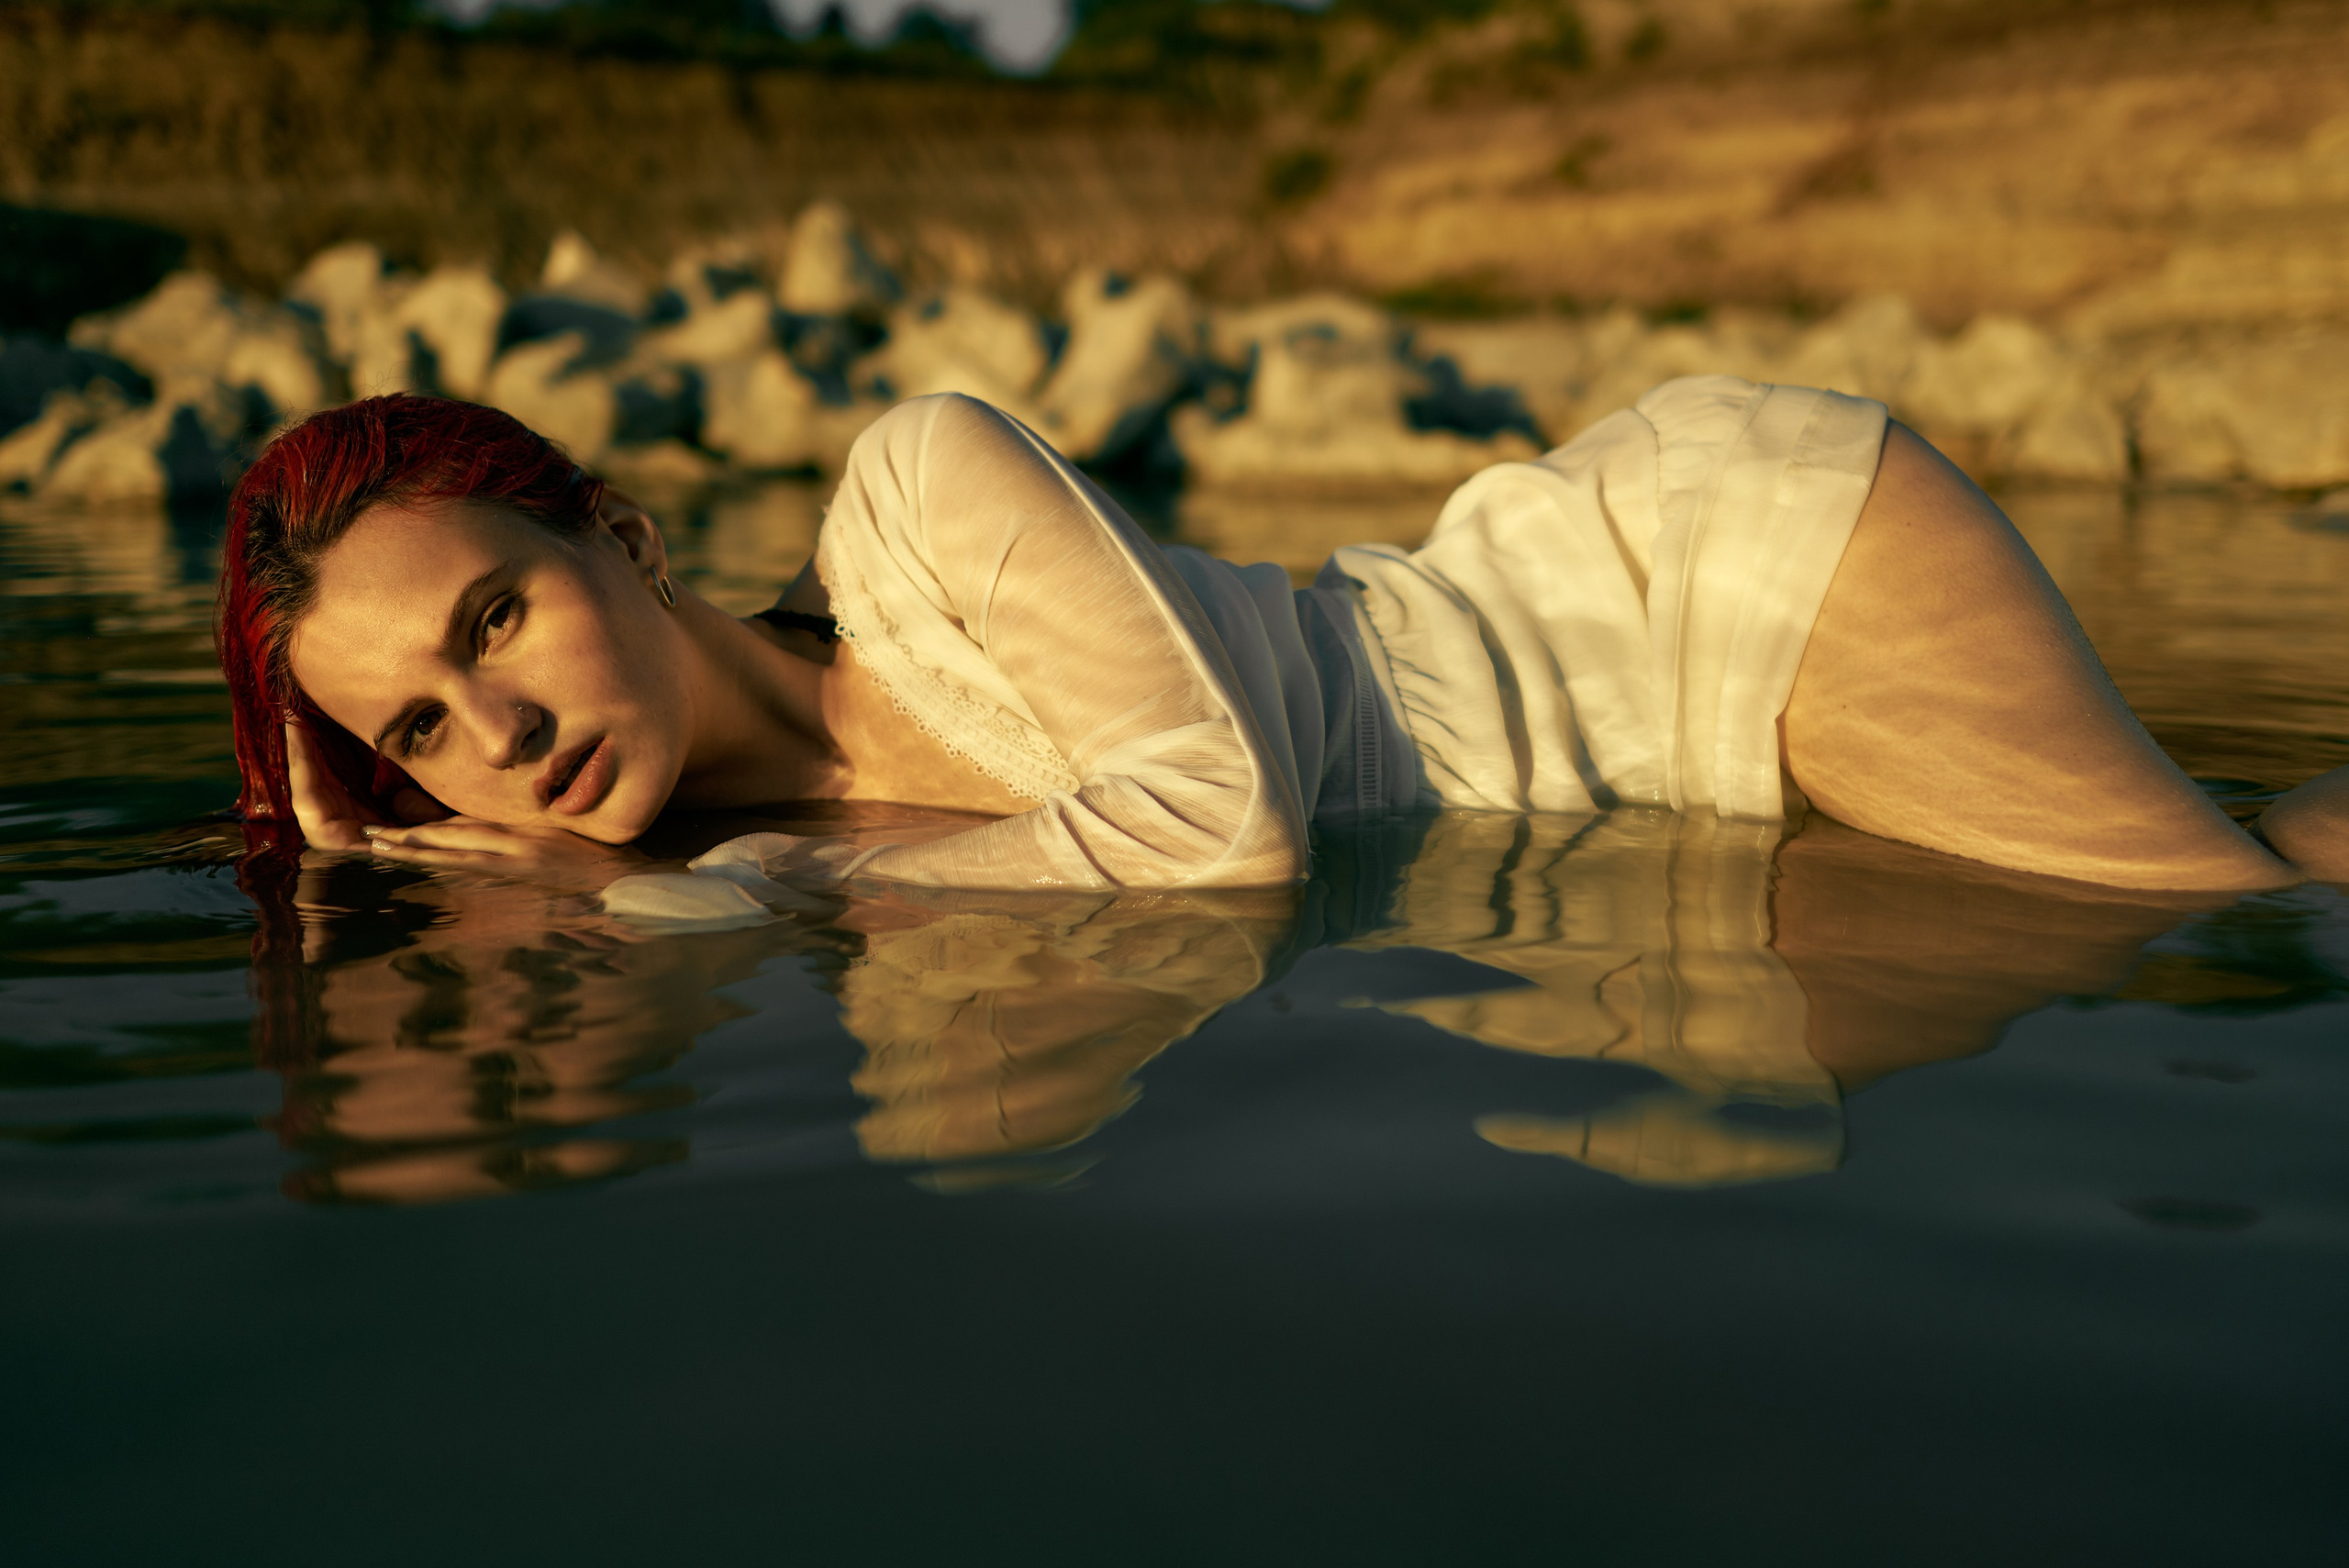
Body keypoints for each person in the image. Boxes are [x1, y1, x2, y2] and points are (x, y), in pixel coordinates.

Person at [215, 378, 2349, 906]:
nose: (500, 726)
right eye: (422, 730)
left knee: (2198, 934)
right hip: (1663, 799)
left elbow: (1220, 830)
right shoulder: (704, 867)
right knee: (2221, 858)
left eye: (499, 613)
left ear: (623, 531)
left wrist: (755, 893)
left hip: (1720, 599)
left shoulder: (921, 489)